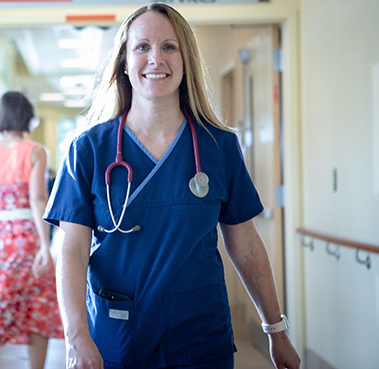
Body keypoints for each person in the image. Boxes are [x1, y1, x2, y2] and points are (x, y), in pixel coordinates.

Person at [43, 3, 301, 369]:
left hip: (200, 336)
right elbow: (71, 249)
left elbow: (245, 245)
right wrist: (76, 336)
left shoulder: (218, 147)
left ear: (185, 59)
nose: (155, 59)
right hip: (117, 338)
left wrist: (276, 330)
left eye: (169, 46)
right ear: (124, 61)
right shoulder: (88, 150)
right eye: (142, 47)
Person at [0, 91, 64, 369]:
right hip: (27, 238)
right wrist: (46, 246)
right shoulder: (35, 152)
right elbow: (37, 199)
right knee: (36, 303)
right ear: (27, 117)